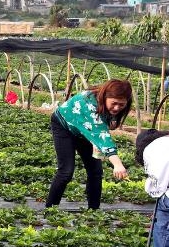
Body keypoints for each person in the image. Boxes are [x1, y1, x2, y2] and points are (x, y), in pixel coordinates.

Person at [46, 79, 133, 209]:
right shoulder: (89, 104)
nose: (117, 108)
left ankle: (93, 210)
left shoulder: (108, 107)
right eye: (114, 103)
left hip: (86, 128)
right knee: (66, 171)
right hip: (64, 125)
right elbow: (103, 137)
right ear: (105, 97)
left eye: (121, 105)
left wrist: (97, 134)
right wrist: (117, 164)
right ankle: (50, 209)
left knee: (96, 171)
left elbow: (101, 129)